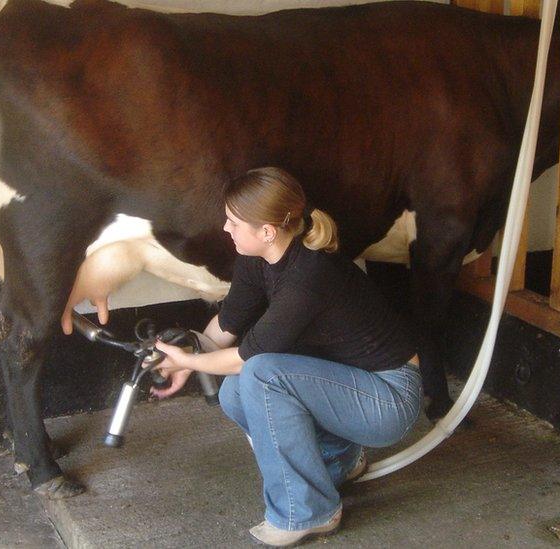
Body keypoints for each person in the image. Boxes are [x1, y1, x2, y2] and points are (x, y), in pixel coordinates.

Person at [152, 167, 422, 547]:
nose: (225, 229)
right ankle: (340, 458)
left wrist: (191, 363)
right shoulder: (256, 258)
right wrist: (187, 354)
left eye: (233, 222)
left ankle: (308, 512)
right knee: (234, 392)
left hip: (388, 397)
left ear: (266, 230)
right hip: (346, 383)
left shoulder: (309, 276)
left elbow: (249, 358)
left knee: (261, 375)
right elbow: (225, 327)